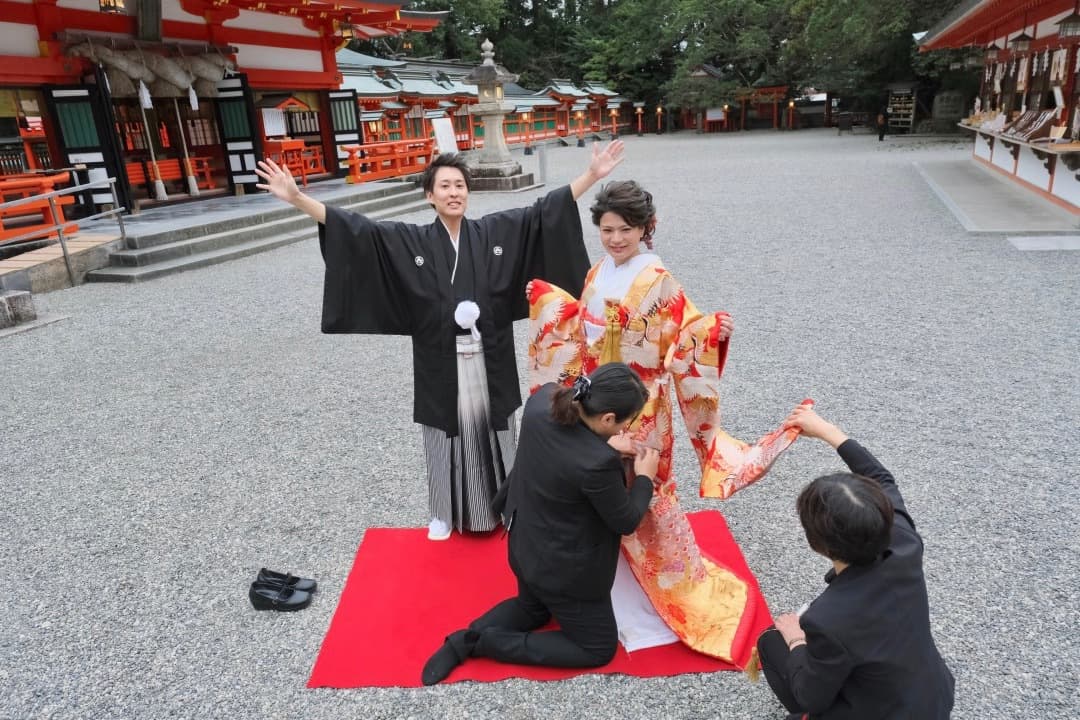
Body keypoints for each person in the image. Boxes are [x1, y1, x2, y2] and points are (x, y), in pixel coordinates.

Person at [254, 142, 625, 541]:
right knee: (442, 431)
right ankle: (443, 512)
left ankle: (508, 507)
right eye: (445, 186)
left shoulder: (494, 232)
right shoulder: (410, 240)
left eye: (460, 185)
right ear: (430, 195)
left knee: (498, 430)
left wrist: (591, 176)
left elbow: (542, 214)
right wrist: (296, 198)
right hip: (439, 357)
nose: (454, 192)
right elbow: (359, 231)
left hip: (490, 354)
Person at [527, 179, 805, 663]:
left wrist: (711, 332)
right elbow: (580, 327)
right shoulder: (597, 273)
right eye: (607, 229)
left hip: (641, 402)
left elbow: (687, 337)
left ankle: (657, 589)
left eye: (626, 231)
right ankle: (603, 580)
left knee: (642, 485)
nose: (615, 239)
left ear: (646, 230)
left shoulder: (660, 279)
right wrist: (552, 308)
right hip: (598, 396)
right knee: (595, 480)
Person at [420, 362, 660, 684]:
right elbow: (625, 520)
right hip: (563, 573)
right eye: (624, 424)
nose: (623, 430)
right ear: (606, 418)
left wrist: (603, 443)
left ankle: (464, 640)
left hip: (524, 546)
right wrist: (644, 478)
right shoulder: (598, 465)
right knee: (598, 648)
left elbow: (565, 453)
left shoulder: (543, 401)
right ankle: (489, 645)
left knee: (531, 609)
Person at [757, 404, 955, 719]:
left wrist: (797, 638)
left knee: (772, 642)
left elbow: (810, 694)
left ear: (817, 543)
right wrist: (826, 430)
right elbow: (880, 476)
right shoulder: (904, 542)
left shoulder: (827, 620)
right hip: (932, 698)